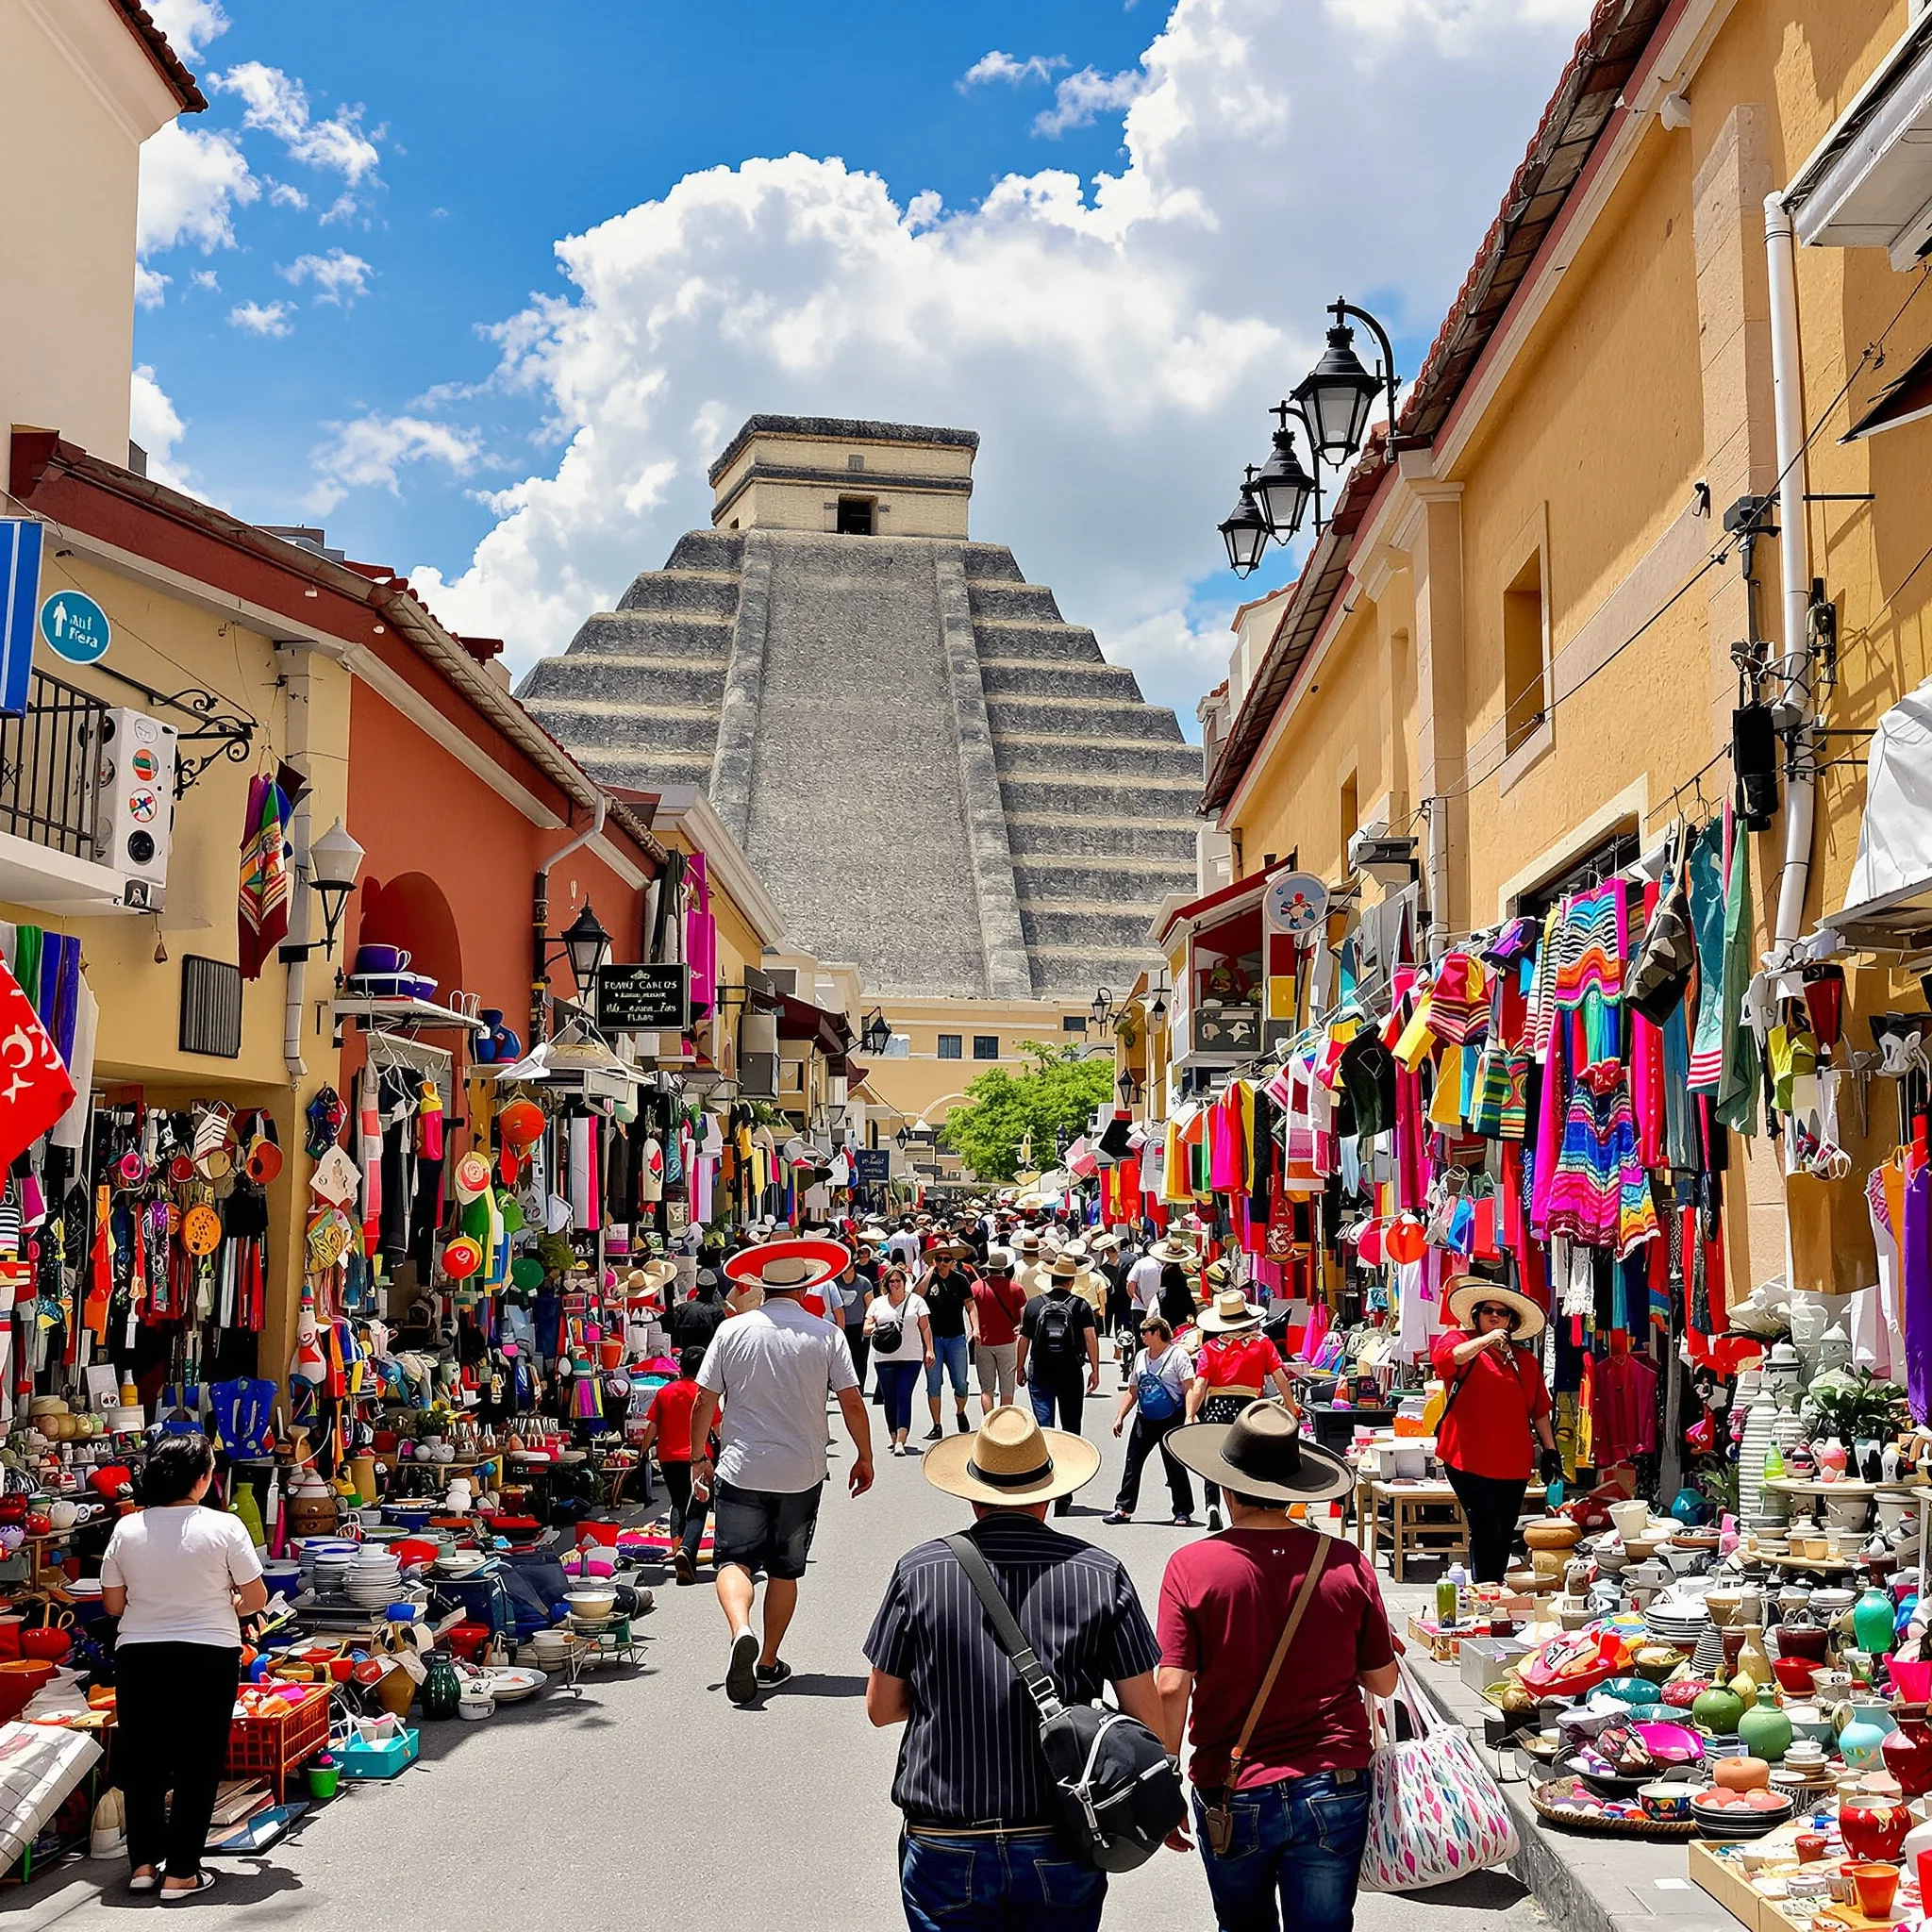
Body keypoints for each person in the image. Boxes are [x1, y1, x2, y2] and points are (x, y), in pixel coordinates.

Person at [864, 1406, 1167, 1932]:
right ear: (1048, 1494)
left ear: (970, 1491)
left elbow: (881, 1707)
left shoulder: (920, 1571)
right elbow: (1147, 1719)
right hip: (1060, 1833)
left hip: (945, 1836)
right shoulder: (1101, 1574)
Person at [1157, 1401, 1400, 1932]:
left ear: (1226, 1487)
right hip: (1333, 1781)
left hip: (1232, 1784)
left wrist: (1164, 1776)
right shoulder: (1345, 1562)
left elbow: (1172, 1685)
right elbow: (1383, 1680)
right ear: (1294, 1490)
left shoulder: (1191, 1566)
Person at [690, 1240, 874, 1704]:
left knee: (734, 1559)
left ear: (762, 1287)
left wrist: (697, 1456)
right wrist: (865, 1454)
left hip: (740, 1466)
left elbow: (703, 1399)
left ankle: (740, 1631)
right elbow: (852, 1400)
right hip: (802, 1471)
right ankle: (769, 1661)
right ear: (807, 1286)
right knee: (785, 1571)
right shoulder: (825, 1334)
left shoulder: (732, 1331)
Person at [99, 1432, 269, 1902]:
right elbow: (255, 1599)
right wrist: (221, 1601)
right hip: (208, 1653)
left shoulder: (127, 1529)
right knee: (198, 1760)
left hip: (139, 1654)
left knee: (144, 1760)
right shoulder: (224, 1526)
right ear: (201, 1480)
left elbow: (113, 1605)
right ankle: (182, 1873)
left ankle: (143, 1866)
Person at [1429, 1276, 1557, 1583]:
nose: (1495, 1317)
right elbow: (1450, 1360)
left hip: (1513, 1463)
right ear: (1477, 1315)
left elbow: (1539, 1409)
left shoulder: (1525, 1361)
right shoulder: (1458, 1341)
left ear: (1512, 1322)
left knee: (1504, 1530)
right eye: (1488, 1311)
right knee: (1485, 1528)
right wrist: (1487, 1340)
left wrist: (1551, 1451)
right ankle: (1484, 1592)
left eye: (1502, 1313)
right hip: (1467, 1458)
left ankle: (1495, 1589)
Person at [1185, 1290, 1301, 1533]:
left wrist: (1190, 1414)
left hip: (1217, 1409)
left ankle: (1213, 1505)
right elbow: (1280, 1378)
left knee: (1215, 1460)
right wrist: (1291, 1407)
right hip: (1251, 1410)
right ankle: (1242, 1513)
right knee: (1247, 1461)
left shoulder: (1211, 1348)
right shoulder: (1263, 1344)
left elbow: (1200, 1385)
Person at [1017, 1253, 1102, 1517]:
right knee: (1071, 1430)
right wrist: (1095, 1370)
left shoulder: (1033, 1305)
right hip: (1070, 1372)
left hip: (1040, 1372)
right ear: (1071, 1281)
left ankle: (1045, 1487)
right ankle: (1066, 1492)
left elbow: (1024, 1339)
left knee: (1044, 1429)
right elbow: (1091, 1338)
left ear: (1051, 1277)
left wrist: (1020, 1367)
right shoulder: (1080, 1306)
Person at [1104, 1315, 1196, 1525]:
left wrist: (1190, 1417)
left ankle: (1182, 1510)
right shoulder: (1140, 1357)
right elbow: (1132, 1390)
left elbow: (1189, 1388)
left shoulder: (1178, 1356)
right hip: (1144, 1417)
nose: (1141, 1336)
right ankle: (1123, 1508)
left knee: (1173, 1464)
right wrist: (1120, 1416)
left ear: (1157, 1333)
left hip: (1171, 1416)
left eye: (1145, 1332)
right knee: (1132, 1462)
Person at [639, 1345, 712, 1584]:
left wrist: (642, 1452)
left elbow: (652, 1426)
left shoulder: (665, 1392)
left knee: (678, 1503)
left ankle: (676, 1547)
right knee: (700, 1504)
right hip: (697, 1457)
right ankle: (686, 1551)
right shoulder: (705, 1393)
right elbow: (719, 1428)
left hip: (668, 1457)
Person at [866, 1264, 934, 1456]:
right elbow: (866, 1327)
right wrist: (880, 1327)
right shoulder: (878, 1303)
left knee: (903, 1395)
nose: (895, 1284)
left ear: (904, 1282)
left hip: (911, 1356)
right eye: (891, 1281)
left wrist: (929, 1350)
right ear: (886, 1283)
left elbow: (926, 1327)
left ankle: (901, 1440)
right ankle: (893, 1435)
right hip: (884, 1358)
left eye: (898, 1281)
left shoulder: (917, 1302)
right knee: (890, 1397)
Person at [918, 1242, 980, 1441]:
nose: (942, 1263)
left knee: (961, 1383)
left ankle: (960, 1412)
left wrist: (975, 1328)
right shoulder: (928, 1279)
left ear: (953, 1262)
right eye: (938, 1259)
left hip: (956, 1338)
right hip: (933, 1339)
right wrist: (929, 1272)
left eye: (946, 1259)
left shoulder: (960, 1280)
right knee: (933, 1383)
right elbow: (917, 1296)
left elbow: (970, 1306)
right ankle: (937, 1425)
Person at [970, 1247, 1027, 1412]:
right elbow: (1023, 1317)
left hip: (984, 1342)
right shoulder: (1015, 1288)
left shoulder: (976, 1287)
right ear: (1004, 1268)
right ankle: (1003, 1424)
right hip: (1008, 1342)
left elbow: (970, 1311)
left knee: (987, 1389)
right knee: (1007, 1388)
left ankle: (989, 1423)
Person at [837, 1249, 875, 1392]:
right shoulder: (835, 1283)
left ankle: (860, 1387)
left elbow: (870, 1307)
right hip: (841, 1326)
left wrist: (868, 1326)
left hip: (859, 1326)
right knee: (844, 1359)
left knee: (860, 1359)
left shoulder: (864, 1283)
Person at [667, 1269, 730, 1356]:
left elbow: (675, 1335)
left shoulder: (682, 1308)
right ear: (715, 1287)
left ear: (697, 1287)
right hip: (707, 1356)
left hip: (685, 1356)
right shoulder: (718, 1311)